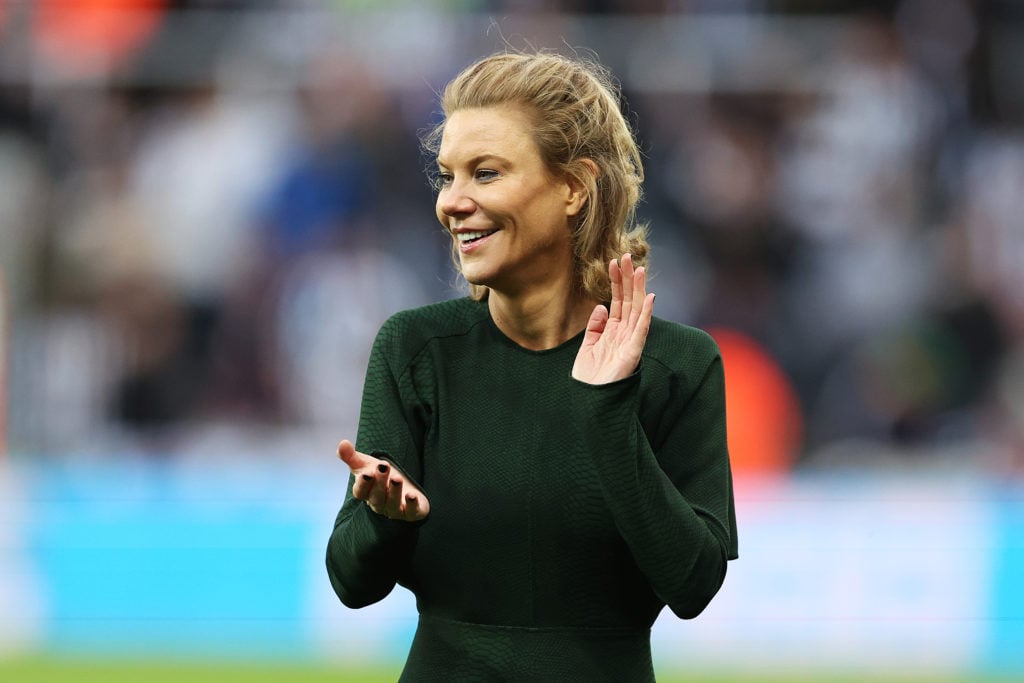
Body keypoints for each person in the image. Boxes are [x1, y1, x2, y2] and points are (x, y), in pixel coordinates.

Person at [325, 50, 738, 682]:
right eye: (447, 176)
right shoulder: (414, 349)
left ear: (574, 187)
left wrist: (607, 413)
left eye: (485, 174)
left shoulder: (678, 365)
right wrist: (385, 520)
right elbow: (352, 582)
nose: (452, 202)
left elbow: (692, 585)